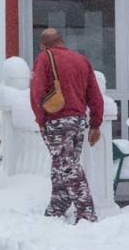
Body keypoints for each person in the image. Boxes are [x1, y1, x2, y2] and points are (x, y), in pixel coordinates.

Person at [30, 28, 103, 223]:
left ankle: (86, 212)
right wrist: (95, 123)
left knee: (67, 166)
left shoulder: (44, 58)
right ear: (62, 41)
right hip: (78, 121)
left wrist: (41, 120)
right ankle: (57, 206)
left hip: (57, 120)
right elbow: (95, 94)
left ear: (43, 45)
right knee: (62, 164)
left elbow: (37, 93)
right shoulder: (81, 60)